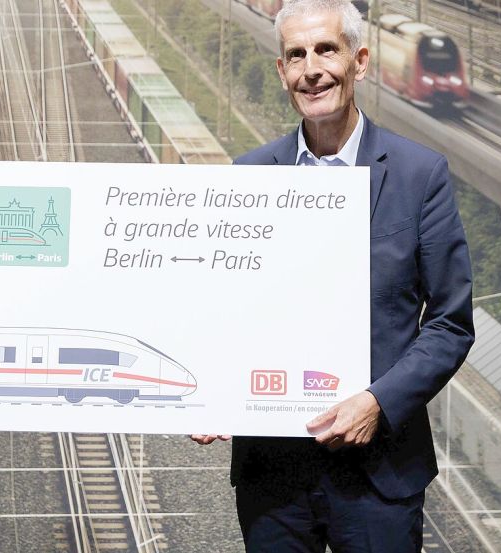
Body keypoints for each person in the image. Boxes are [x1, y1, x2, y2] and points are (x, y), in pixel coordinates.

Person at [192, 0, 474, 551]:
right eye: (295, 56)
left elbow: (449, 324)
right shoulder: (245, 177)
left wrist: (378, 402)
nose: (311, 68)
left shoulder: (421, 176)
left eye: (327, 50)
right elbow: (223, 311)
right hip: (272, 478)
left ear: (360, 61)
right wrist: (210, 395)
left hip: (378, 473)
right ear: (282, 72)